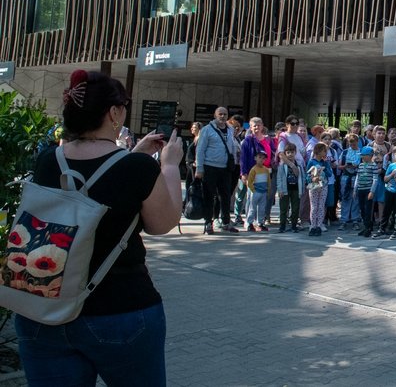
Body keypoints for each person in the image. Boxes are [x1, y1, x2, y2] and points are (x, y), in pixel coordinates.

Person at [15, 70, 182, 385]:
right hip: (120, 311)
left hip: (42, 306)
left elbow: (89, 195)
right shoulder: (137, 168)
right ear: (114, 112)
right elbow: (163, 224)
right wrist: (170, 165)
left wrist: (135, 154)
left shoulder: (49, 160)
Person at [195, 106, 240, 234]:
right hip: (210, 168)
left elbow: (231, 146)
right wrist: (199, 168)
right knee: (209, 196)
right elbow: (200, 150)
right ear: (215, 115)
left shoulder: (230, 129)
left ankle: (226, 222)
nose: (222, 116)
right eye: (220, 114)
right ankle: (208, 223)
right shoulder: (207, 130)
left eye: (225, 114)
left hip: (225, 168)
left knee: (225, 196)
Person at [306, 142, 332, 237]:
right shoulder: (311, 162)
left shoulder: (325, 162)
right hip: (313, 186)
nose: (325, 153)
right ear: (318, 151)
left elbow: (330, 174)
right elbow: (307, 174)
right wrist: (312, 178)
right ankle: (313, 225)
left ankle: (319, 224)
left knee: (321, 205)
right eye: (324, 151)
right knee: (314, 206)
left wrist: (324, 168)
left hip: (323, 186)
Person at [276, 145, 302, 233]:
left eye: (292, 152)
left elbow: (301, 176)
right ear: (285, 154)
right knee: (283, 209)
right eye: (288, 152)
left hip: (296, 189)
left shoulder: (298, 165)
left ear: (295, 153)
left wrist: (301, 189)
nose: (290, 154)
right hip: (285, 189)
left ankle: (294, 226)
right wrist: (279, 190)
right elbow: (279, 178)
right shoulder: (282, 165)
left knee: (295, 208)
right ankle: (282, 226)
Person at [244, 150, 271, 232]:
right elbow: (250, 182)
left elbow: (268, 181)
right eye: (259, 157)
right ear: (255, 158)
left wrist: (268, 190)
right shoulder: (253, 169)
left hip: (263, 192)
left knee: (262, 209)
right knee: (252, 208)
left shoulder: (266, 170)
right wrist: (253, 190)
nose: (261, 160)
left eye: (263, 158)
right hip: (255, 192)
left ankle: (260, 223)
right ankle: (249, 223)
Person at [355, 146, 378, 237]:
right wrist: (355, 188)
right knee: (362, 209)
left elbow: (375, 179)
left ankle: (368, 228)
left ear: (370, 155)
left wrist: (372, 191)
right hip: (360, 189)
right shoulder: (360, 165)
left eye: (364, 155)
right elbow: (358, 177)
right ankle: (365, 226)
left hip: (368, 189)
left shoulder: (373, 165)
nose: (363, 157)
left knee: (368, 209)